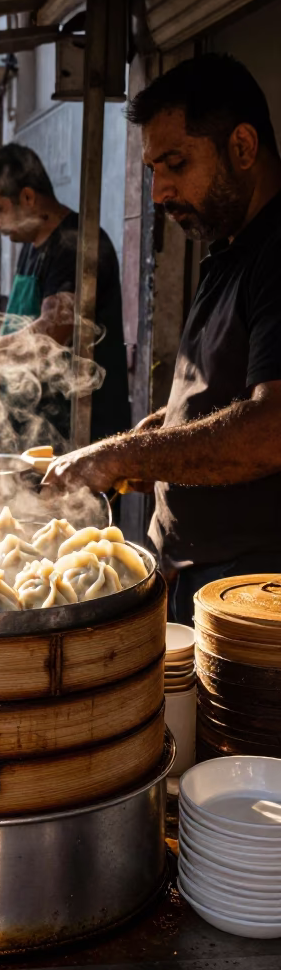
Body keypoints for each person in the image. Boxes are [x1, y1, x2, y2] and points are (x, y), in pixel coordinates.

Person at [43, 53, 281, 623]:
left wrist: (121, 451)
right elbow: (208, 402)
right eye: (153, 169)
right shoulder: (229, 248)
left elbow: (270, 430)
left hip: (252, 592)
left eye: (175, 163)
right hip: (196, 573)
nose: (159, 192)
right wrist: (129, 450)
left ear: (243, 147)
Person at [0, 143, 130, 443]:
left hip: (77, 434)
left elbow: (49, 336)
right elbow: (20, 327)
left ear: (28, 197)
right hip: (32, 427)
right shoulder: (30, 246)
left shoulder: (77, 245)